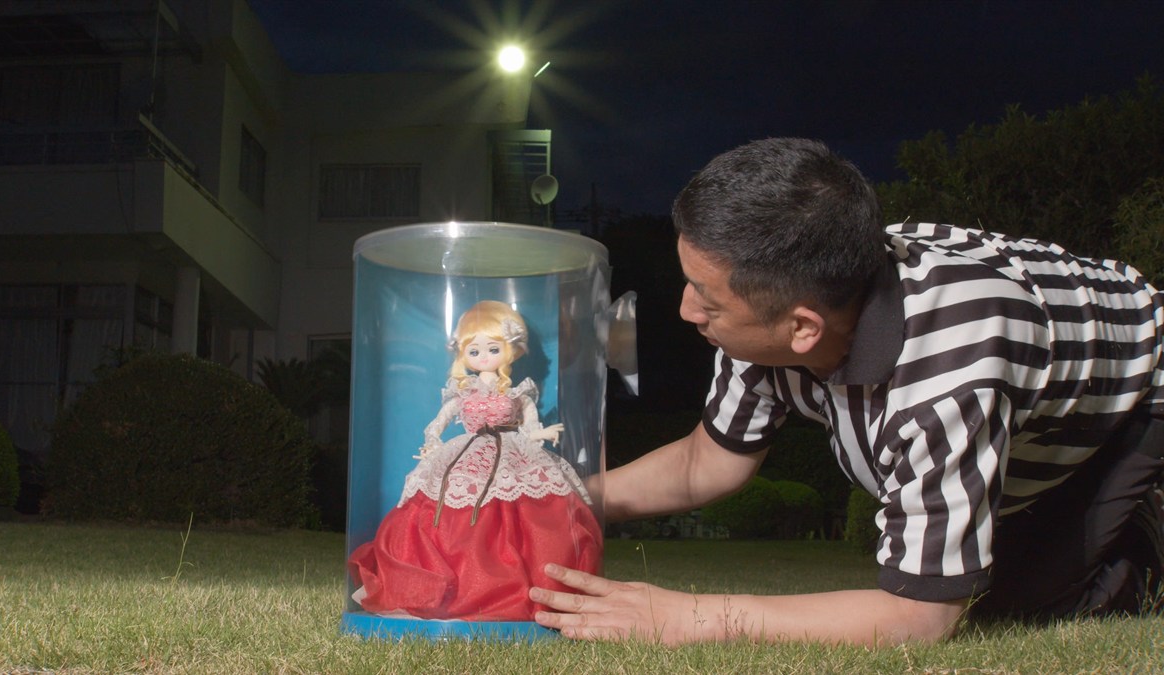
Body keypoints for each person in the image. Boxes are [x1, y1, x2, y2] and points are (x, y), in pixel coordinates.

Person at [529, 138, 1164, 645]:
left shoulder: (947, 374)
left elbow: (920, 619)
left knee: (1012, 603)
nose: (686, 310)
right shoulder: (788, 304)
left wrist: (687, 617)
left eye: (709, 301)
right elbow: (706, 463)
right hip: (1026, 392)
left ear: (802, 328)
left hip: (1139, 387)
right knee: (990, 573)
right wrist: (566, 497)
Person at [348, 300, 602, 621]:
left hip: (511, 451)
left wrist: (542, 433)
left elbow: (530, 428)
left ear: (512, 350)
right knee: (452, 508)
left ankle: (509, 574)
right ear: (463, 353)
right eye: (474, 350)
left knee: (517, 508)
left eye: (493, 349)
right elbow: (437, 424)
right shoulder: (463, 392)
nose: (483, 357)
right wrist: (431, 446)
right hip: (467, 451)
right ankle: (460, 577)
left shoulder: (518, 393)